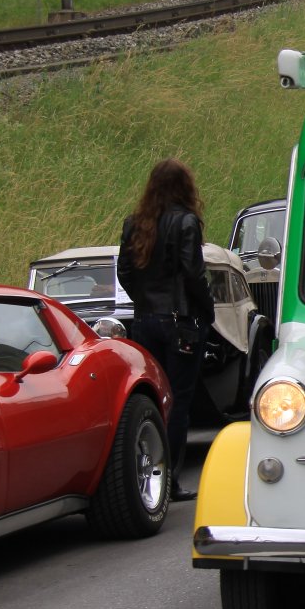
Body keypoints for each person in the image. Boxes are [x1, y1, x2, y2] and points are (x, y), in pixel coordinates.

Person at [118, 158, 214, 502]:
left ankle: (149, 472)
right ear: (184, 187)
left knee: (154, 399)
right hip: (181, 322)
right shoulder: (186, 222)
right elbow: (193, 273)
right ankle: (170, 478)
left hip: (145, 321)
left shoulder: (135, 224)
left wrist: (144, 301)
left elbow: (124, 272)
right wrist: (207, 308)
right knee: (179, 400)